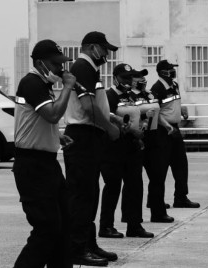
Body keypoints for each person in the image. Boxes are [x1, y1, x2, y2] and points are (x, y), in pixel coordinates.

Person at [12, 39, 75, 268]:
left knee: (64, 225)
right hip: (32, 166)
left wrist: (54, 136)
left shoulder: (43, 84)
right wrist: (67, 87)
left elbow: (32, 120)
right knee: (46, 228)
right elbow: (51, 115)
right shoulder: (32, 83)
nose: (61, 68)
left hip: (47, 164)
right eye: (56, 63)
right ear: (40, 63)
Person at [64, 31, 122, 267]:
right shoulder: (83, 67)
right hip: (83, 136)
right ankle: (77, 249)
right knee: (83, 196)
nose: (106, 54)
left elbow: (91, 105)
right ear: (92, 47)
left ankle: (89, 243)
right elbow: (87, 108)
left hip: (88, 134)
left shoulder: (87, 68)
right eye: (104, 49)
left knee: (90, 194)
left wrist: (110, 118)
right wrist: (109, 127)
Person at [99, 64, 154, 240]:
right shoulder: (109, 95)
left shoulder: (130, 96)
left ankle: (134, 225)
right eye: (124, 78)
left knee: (135, 187)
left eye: (130, 78)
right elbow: (107, 117)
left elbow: (137, 115)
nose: (128, 81)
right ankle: (106, 226)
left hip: (132, 147)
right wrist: (131, 130)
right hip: (114, 148)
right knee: (113, 187)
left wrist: (143, 125)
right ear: (115, 78)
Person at [151, 60, 200, 211]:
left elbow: (172, 104)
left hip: (175, 129)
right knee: (161, 168)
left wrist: (182, 108)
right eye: (170, 69)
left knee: (180, 165)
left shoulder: (174, 85)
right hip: (163, 131)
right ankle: (155, 200)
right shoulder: (157, 88)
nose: (173, 71)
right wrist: (166, 125)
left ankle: (181, 197)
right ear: (162, 72)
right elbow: (154, 112)